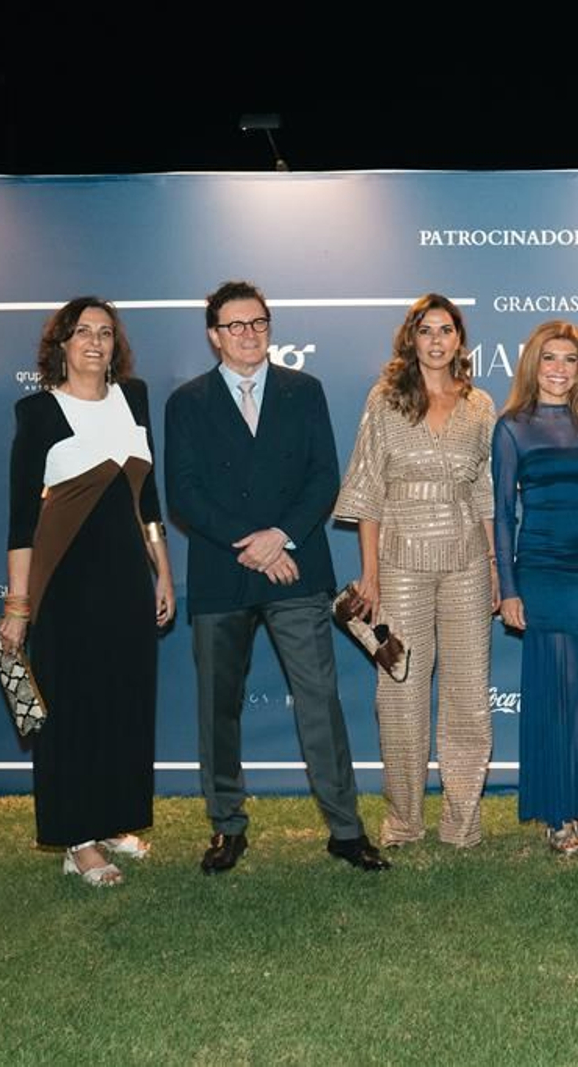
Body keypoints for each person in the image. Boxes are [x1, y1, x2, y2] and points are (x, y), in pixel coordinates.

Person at [165, 280, 387, 875]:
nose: (249, 334)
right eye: (235, 326)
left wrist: (279, 537)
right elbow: (183, 492)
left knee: (319, 702)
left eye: (258, 322)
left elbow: (323, 478)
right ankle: (226, 826)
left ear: (270, 327)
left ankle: (345, 830)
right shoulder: (186, 401)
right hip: (221, 572)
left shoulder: (303, 391)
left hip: (296, 568)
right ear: (214, 336)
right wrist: (255, 545)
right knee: (218, 707)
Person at [1, 296, 174, 886]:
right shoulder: (39, 412)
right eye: (82, 333)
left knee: (123, 700)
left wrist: (163, 571)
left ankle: (113, 819)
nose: (95, 342)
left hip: (127, 578)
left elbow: (147, 501)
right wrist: (18, 607)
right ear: (62, 346)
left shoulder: (136, 398)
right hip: (66, 584)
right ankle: (78, 839)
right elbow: (21, 520)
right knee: (72, 708)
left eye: (105, 332)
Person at [334, 293, 498, 849]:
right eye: (425, 330)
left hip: (469, 563)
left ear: (459, 340)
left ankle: (462, 821)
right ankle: (403, 820)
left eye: (446, 330)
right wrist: (370, 574)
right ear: (412, 338)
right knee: (399, 688)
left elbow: (486, 492)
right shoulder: (384, 400)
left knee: (469, 693)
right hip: (400, 561)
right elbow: (367, 487)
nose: (436, 340)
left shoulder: (480, 405)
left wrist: (496, 567)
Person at [492, 320, 578, 854]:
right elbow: (500, 514)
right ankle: (557, 813)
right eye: (550, 358)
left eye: (571, 359)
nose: (560, 369)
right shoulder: (512, 427)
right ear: (532, 365)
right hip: (541, 570)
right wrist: (508, 588)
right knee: (554, 691)